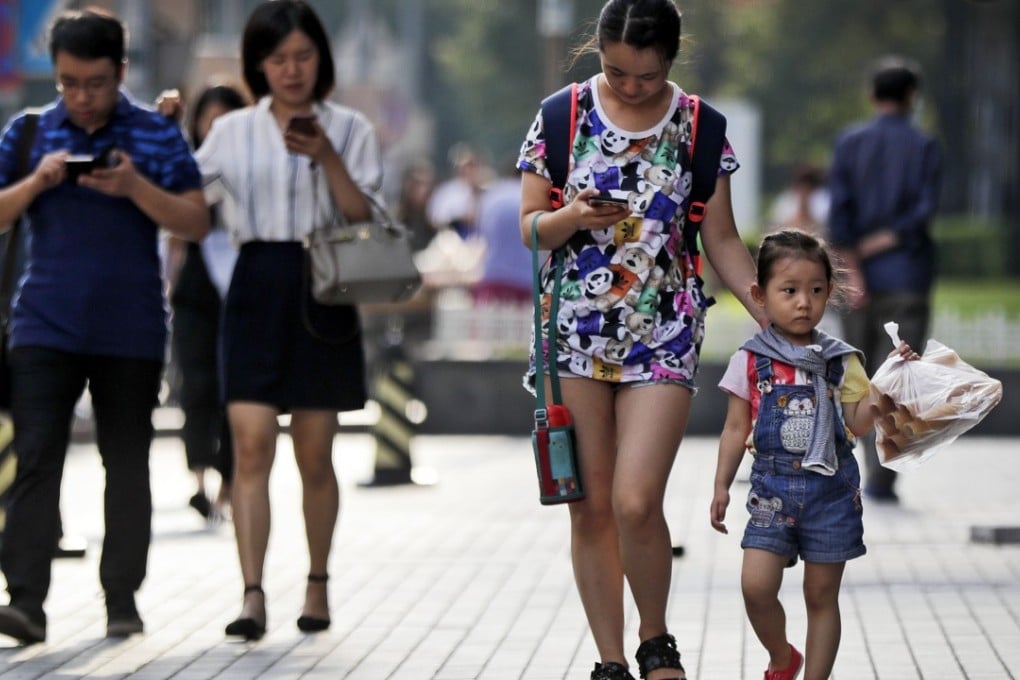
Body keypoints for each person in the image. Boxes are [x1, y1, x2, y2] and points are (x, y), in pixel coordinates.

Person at [517, 2, 767, 678]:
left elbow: (721, 239)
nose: (631, 87)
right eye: (617, 71)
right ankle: (610, 659)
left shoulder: (700, 127)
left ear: (672, 60)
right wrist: (569, 215)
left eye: (647, 77)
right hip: (573, 334)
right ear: (597, 49)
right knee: (590, 506)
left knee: (635, 499)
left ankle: (655, 637)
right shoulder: (560, 115)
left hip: (665, 333)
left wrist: (769, 309)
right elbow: (530, 228)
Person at [0, 7, 209, 643]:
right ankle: (26, 603)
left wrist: (133, 188)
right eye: (68, 83)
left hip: (132, 329)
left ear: (121, 73)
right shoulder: (31, 133)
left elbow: (196, 220)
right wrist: (37, 182)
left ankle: (122, 596)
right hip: (44, 325)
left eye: (94, 83)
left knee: (127, 462)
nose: (82, 97)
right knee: (35, 456)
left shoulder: (153, 133)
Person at [192, 0, 383, 641]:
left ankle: (317, 582)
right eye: (277, 59)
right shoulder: (233, 129)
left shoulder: (349, 126)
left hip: (324, 283)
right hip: (255, 282)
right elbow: (187, 189)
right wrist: (163, 136)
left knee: (315, 454)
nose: (291, 70)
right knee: (249, 446)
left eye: (303, 56)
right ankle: (251, 594)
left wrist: (327, 156)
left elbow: (367, 219)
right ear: (258, 64)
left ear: (320, 60)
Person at [710, 229, 919, 680]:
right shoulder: (749, 360)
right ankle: (783, 659)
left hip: (832, 495)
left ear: (830, 291)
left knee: (821, 595)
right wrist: (721, 485)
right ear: (759, 295)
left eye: (816, 290)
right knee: (756, 586)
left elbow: (859, 423)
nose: (804, 302)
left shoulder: (842, 360)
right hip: (772, 494)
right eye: (789, 290)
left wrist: (886, 389)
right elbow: (734, 428)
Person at [827, 55, 943, 503]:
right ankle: (882, 479)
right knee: (898, 379)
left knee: (853, 376)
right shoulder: (925, 145)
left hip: (857, 283)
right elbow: (921, 215)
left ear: (873, 96)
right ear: (912, 97)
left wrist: (855, 266)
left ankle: (841, 470)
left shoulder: (849, 143)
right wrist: (881, 244)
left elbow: (838, 216)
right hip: (908, 278)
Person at [163, 84, 248, 523]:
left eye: (224, 121)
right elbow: (174, 234)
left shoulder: (253, 168)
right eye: (206, 120)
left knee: (236, 389)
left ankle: (231, 483)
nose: (213, 129)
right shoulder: (188, 170)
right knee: (196, 385)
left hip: (242, 289)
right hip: (196, 287)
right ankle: (199, 479)